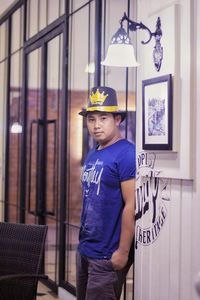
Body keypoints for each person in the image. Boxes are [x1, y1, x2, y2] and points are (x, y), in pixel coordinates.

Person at [76, 86, 136, 300]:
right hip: (85, 249)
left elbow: (132, 205)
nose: (96, 125)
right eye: (91, 119)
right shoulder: (93, 153)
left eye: (103, 118)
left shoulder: (127, 153)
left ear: (117, 119)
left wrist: (123, 252)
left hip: (107, 254)